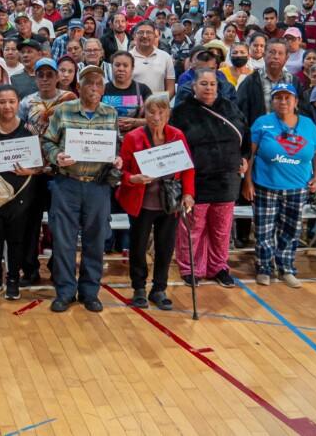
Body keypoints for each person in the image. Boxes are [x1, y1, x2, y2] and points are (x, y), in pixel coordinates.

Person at [41, 64, 122, 313]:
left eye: (99, 84)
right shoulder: (63, 110)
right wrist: (57, 157)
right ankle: (65, 292)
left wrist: (117, 159)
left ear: (104, 88)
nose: (94, 88)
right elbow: (47, 141)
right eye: (89, 83)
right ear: (79, 86)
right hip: (67, 184)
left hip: (98, 186)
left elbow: (115, 147)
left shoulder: (111, 113)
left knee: (95, 241)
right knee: (63, 242)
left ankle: (90, 292)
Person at [170, 68, 250, 287]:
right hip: (196, 181)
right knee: (193, 228)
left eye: (212, 84)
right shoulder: (182, 112)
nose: (208, 88)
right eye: (203, 84)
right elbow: (175, 146)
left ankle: (219, 267)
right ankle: (190, 268)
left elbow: (246, 135)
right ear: (194, 86)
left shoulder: (230, 108)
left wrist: (244, 157)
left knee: (221, 229)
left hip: (227, 180)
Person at [117, 93, 195, 309]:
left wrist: (188, 194)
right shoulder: (133, 137)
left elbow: (187, 167)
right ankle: (139, 288)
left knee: (165, 247)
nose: (157, 116)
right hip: (140, 201)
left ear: (168, 114)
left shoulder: (177, 135)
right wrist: (132, 179)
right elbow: (121, 171)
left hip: (169, 202)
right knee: (138, 246)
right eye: (152, 111)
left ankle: (159, 289)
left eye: (162, 112)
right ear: (145, 113)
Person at [242, 83, 316, 289]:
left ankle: (286, 267)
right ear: (273, 101)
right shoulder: (262, 123)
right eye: (278, 98)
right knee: (264, 230)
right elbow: (249, 154)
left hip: (297, 187)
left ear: (295, 102)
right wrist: (247, 181)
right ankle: (264, 267)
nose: (283, 101)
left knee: (291, 229)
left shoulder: (308, 125)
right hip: (266, 185)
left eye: (288, 98)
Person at [0, 85, 42, 301]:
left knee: (16, 240)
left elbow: (42, 164)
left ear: (18, 103)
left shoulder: (29, 130)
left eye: (11, 101)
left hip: (21, 195)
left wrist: (31, 170)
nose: (7, 106)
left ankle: (13, 279)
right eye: (2, 101)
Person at [102, 51, 151, 135]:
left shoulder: (143, 89)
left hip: (136, 139)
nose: (121, 69)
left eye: (125, 65)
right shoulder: (102, 89)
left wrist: (135, 122)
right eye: (117, 65)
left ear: (132, 68)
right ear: (111, 67)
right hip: (107, 139)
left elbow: (154, 119)